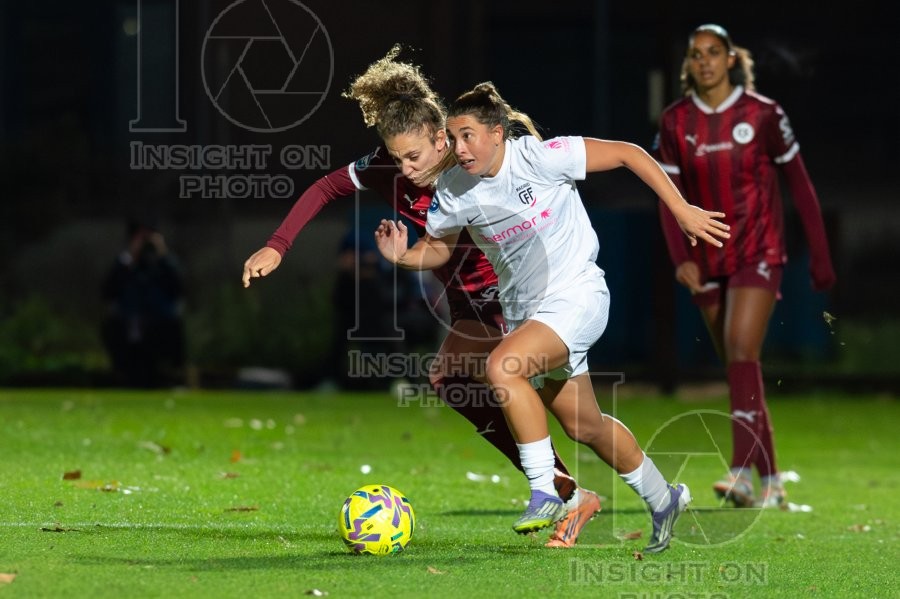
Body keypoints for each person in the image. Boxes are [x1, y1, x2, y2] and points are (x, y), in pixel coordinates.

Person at [241, 47, 599, 547]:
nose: (405, 169)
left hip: (510, 294)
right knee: (459, 382)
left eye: (413, 156)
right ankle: (566, 485)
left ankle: (567, 487)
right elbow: (324, 188)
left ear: (440, 139)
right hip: (462, 300)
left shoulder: (470, 163)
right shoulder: (392, 169)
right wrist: (278, 245)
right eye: (396, 158)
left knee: (521, 392)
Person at [374, 82, 730, 553]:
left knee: (503, 367)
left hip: (577, 295)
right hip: (527, 317)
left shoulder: (541, 157)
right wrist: (403, 256)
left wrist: (681, 208)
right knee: (585, 427)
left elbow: (628, 153)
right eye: (454, 138)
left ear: (498, 133)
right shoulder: (452, 189)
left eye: (468, 136)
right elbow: (439, 246)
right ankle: (665, 499)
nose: (458, 148)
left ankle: (545, 489)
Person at [653, 24, 836, 509]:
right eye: (696, 54)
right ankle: (772, 477)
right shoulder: (675, 122)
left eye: (714, 53)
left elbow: (801, 186)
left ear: (731, 59)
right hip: (706, 258)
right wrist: (681, 261)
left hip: (759, 250)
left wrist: (819, 257)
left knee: (738, 347)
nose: (705, 61)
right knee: (742, 367)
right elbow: (667, 200)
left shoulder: (763, 115)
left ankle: (740, 473)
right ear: (688, 64)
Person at [101, 220, 185, 388]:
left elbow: (179, 288)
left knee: (163, 355)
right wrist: (131, 256)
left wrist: (162, 254)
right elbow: (109, 291)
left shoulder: (164, 264)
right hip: (132, 324)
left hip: (160, 323)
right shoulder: (125, 264)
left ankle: (167, 377)